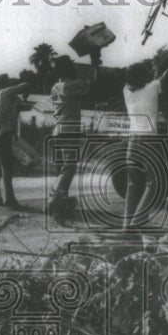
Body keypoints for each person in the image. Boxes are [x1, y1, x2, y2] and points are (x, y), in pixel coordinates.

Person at [48, 53, 100, 222]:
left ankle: (56, 203)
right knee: (68, 170)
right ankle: (54, 203)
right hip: (69, 130)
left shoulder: (55, 87)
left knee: (61, 170)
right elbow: (94, 83)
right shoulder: (70, 86)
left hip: (56, 131)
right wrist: (94, 63)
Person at [122, 59, 168, 229]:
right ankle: (137, 222)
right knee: (153, 182)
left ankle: (126, 225)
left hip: (132, 140)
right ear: (145, 77)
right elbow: (165, 76)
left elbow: (135, 83)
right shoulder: (152, 88)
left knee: (132, 184)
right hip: (149, 140)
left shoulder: (126, 92)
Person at [0, 75, 32, 208]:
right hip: (3, 134)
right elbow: (26, 84)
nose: (11, 83)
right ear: (4, 84)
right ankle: (10, 198)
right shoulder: (5, 92)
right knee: (7, 167)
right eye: (9, 81)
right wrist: (25, 90)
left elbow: (16, 112)